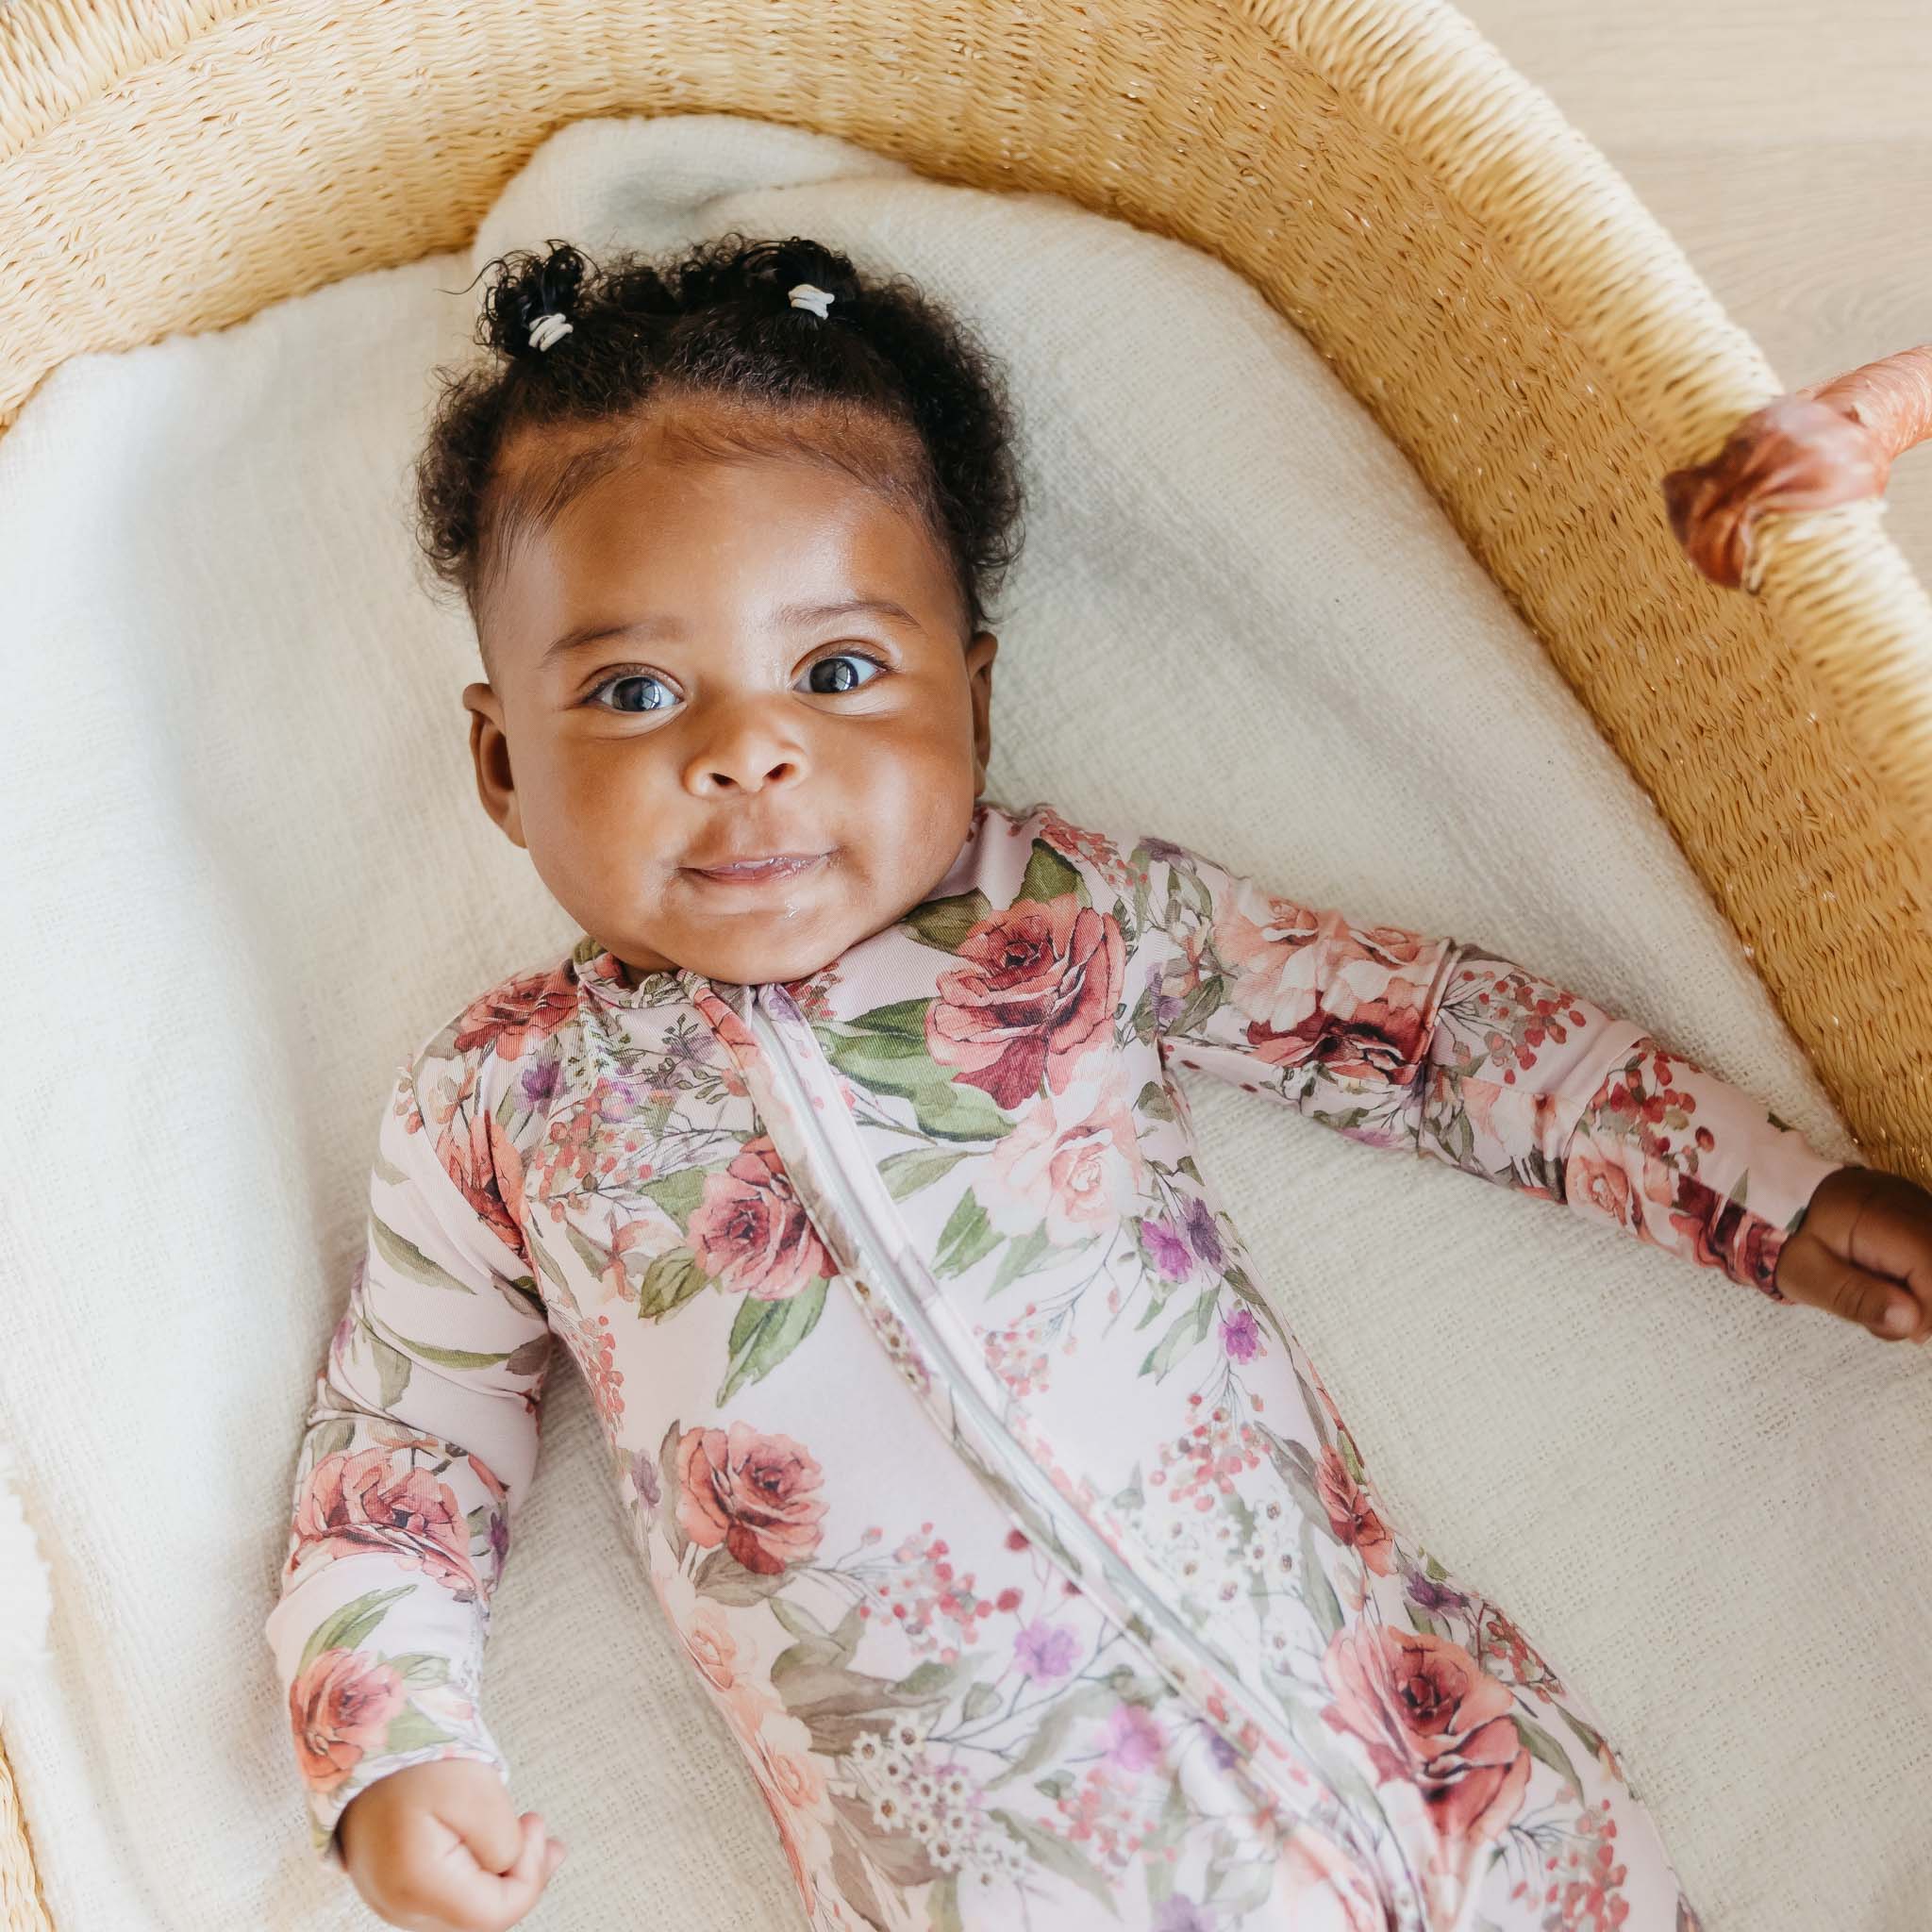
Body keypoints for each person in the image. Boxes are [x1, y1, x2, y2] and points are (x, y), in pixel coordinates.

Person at [265, 234, 1932, 1932]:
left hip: (1427, 1775)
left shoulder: (1067, 915)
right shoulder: (500, 1106)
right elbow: (402, 1447)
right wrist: (391, 1753)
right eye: (634, 692)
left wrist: (1762, 1195)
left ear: (973, 699)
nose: (747, 749)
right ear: (502, 764)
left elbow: (1426, 1035)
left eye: (838, 672)